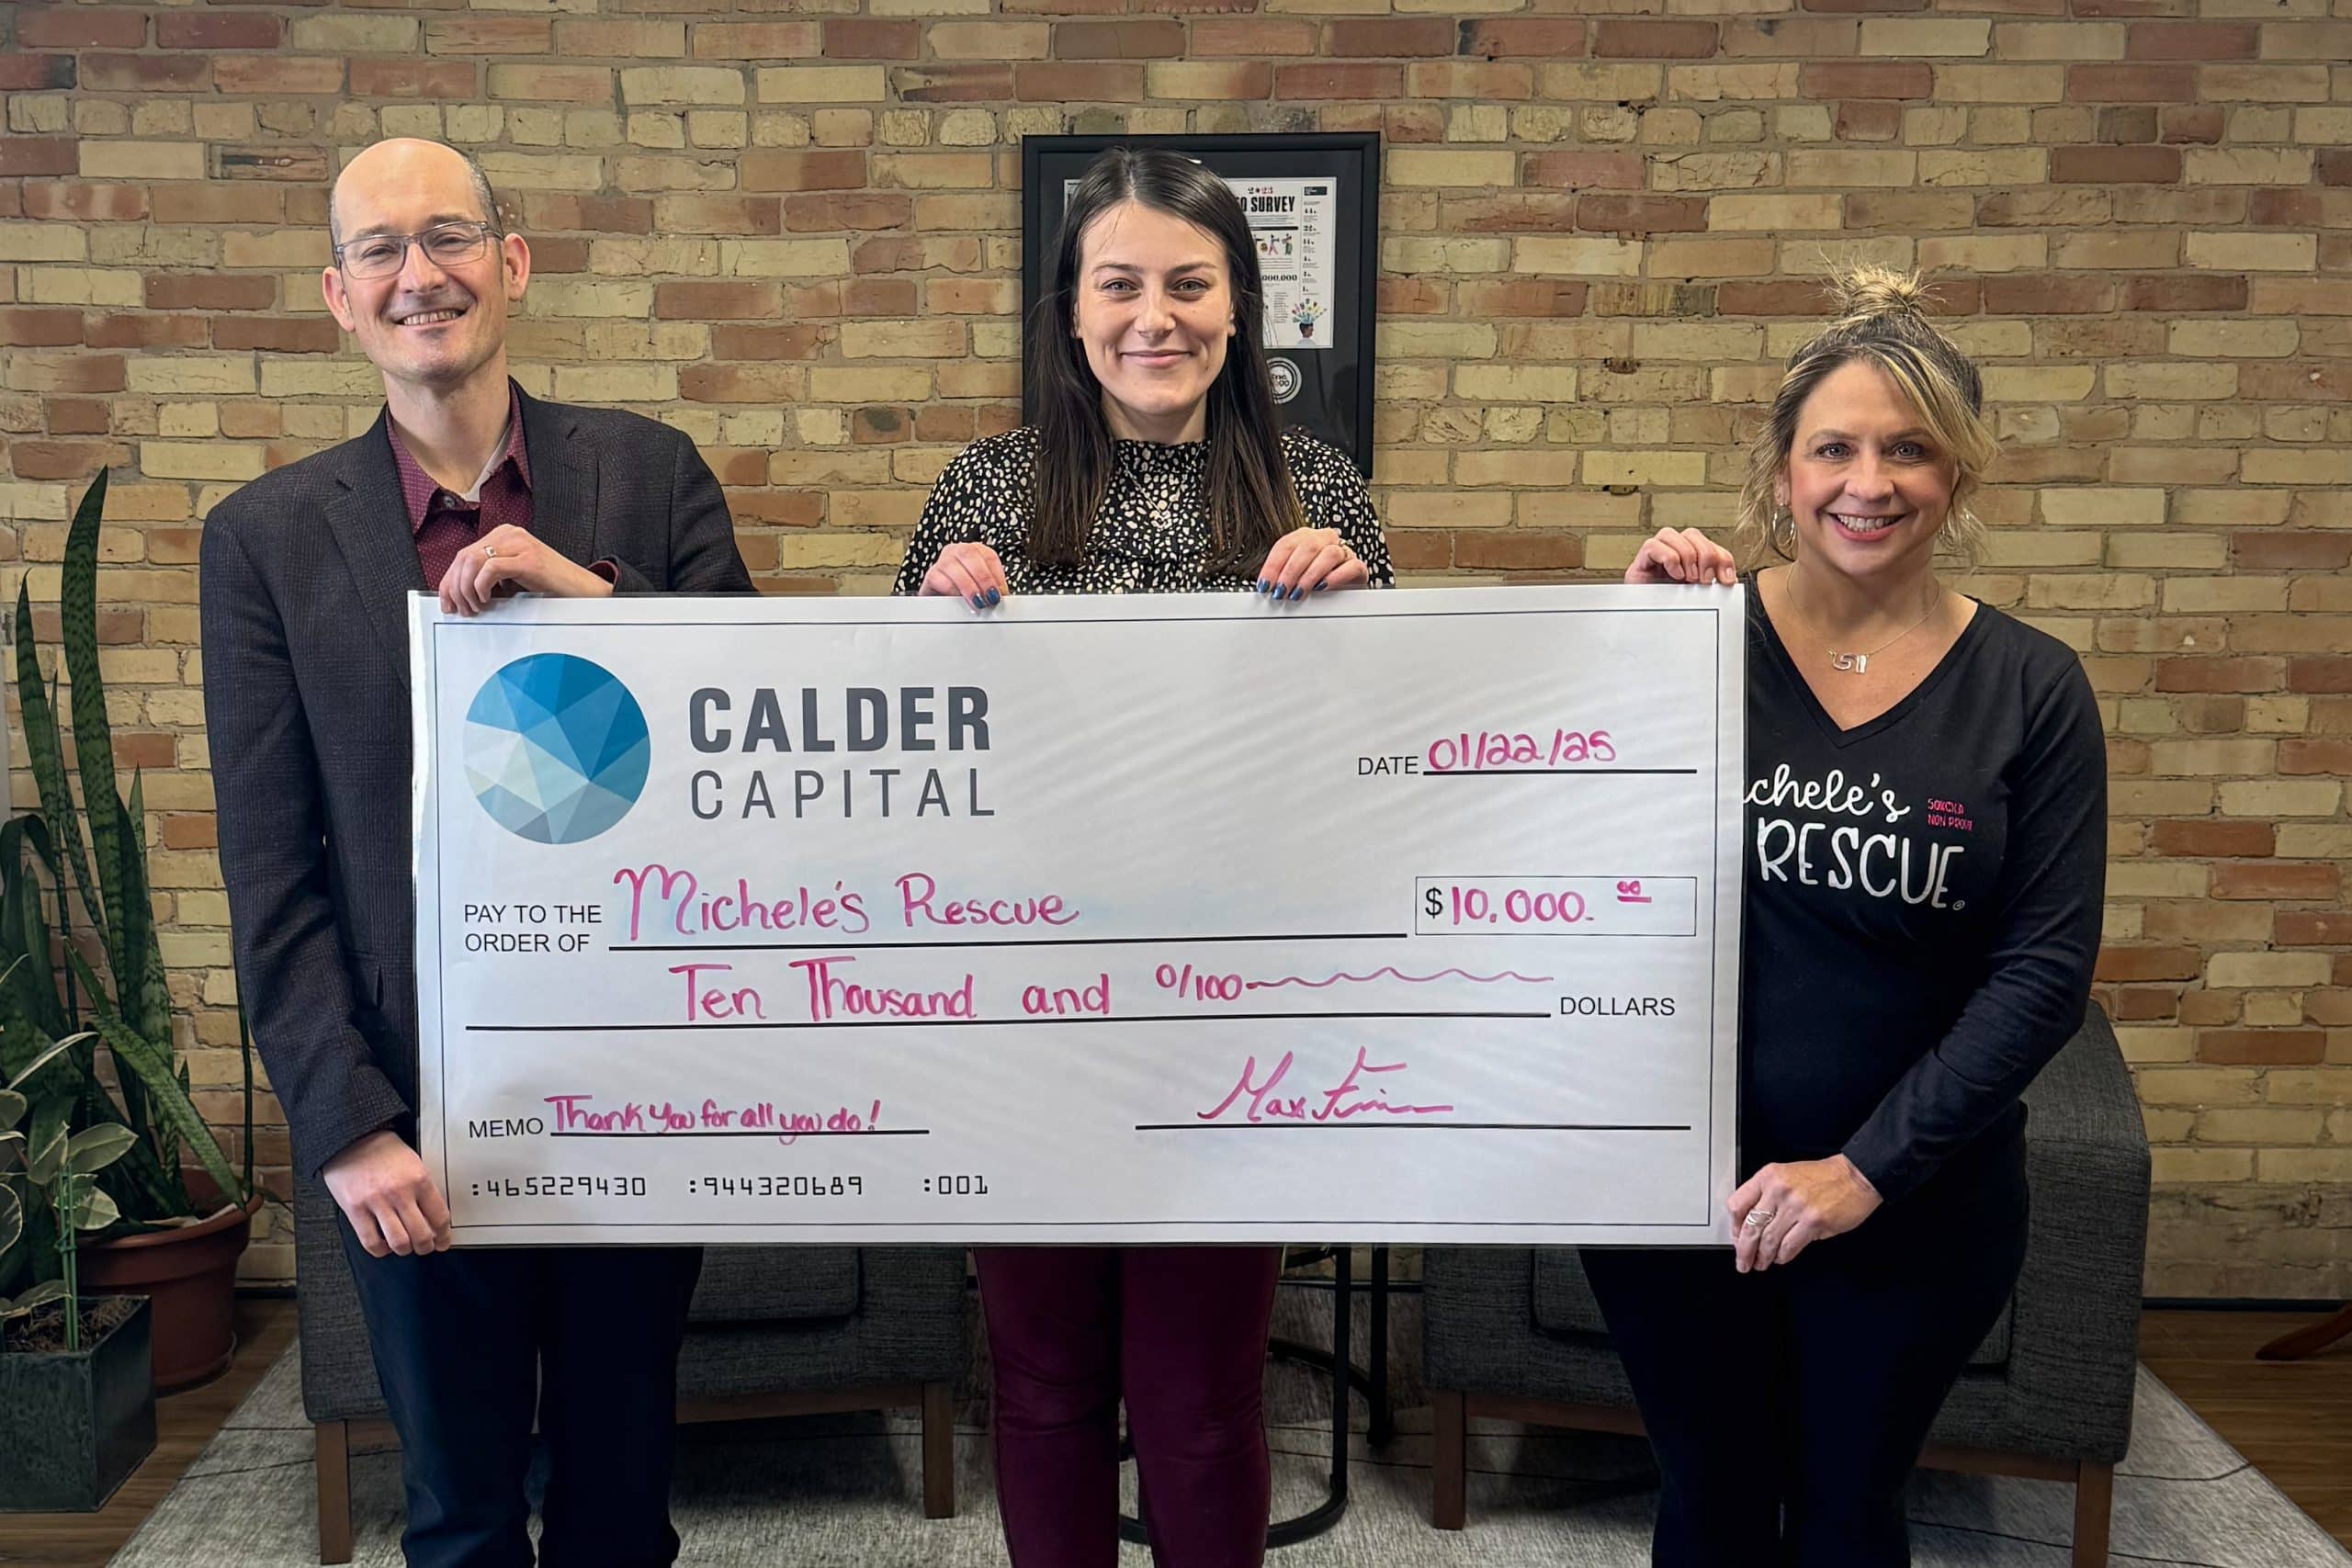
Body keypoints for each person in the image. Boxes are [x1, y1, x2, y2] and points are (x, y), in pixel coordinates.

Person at [200, 137, 752, 1568]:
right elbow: (272, 867)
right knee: (456, 1515)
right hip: (416, 1121)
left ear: (511, 263)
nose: (417, 274)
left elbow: (755, 748)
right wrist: (346, 1123)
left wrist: (588, 599)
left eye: (447, 236)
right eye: (378, 250)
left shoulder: (648, 474)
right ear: (336, 295)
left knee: (625, 1502)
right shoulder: (261, 540)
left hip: (645, 1084)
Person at [892, 145, 1394, 1567]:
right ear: (1071, 309)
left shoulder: (1321, 495)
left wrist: (1363, 618)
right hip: (1021, 1016)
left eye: (1190, 285)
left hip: (1229, 1019)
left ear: (1242, 309)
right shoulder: (982, 491)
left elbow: (1391, 771)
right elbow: (896, 766)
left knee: (1204, 1398)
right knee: (1044, 1390)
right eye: (1119, 286)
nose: (1152, 318)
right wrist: (930, 614)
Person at [1587, 266, 2108, 1566]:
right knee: (1705, 1505)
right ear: (1781, 473)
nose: (1867, 482)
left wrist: (1865, 1170)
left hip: (1913, 1203)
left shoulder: (2034, 688)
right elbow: (1569, 867)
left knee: (1844, 1518)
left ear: (1958, 478)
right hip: (1676, 1190)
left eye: (1908, 450)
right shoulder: (1689, 641)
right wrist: (1627, 647)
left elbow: (2043, 973)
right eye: (1834, 447)